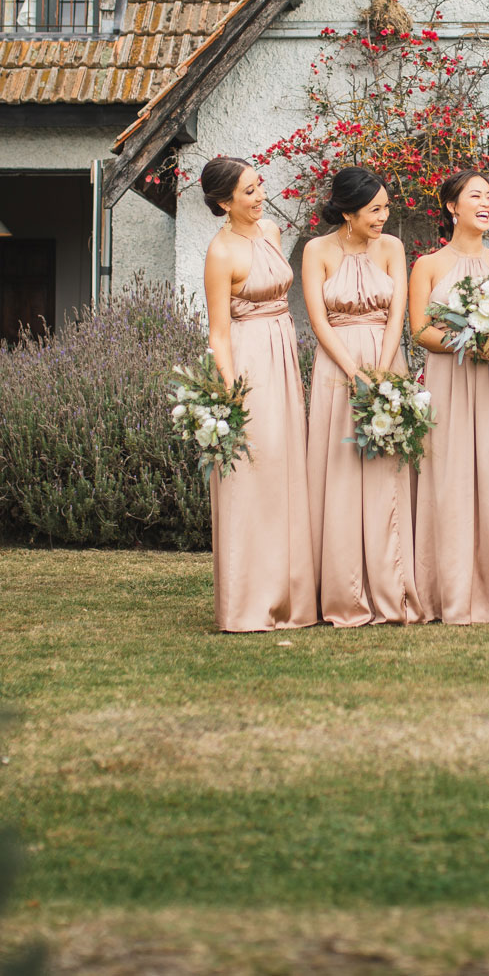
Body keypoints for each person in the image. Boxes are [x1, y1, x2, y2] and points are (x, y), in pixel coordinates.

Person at [406, 172, 489, 624]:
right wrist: (467, 341)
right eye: (475, 195)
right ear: (452, 207)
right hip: (448, 380)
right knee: (450, 476)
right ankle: (446, 591)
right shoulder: (428, 265)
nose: (487, 202)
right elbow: (420, 329)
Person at [201, 156, 316, 632]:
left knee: (286, 470)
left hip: (282, 353)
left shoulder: (271, 232)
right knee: (252, 474)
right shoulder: (220, 253)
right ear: (225, 202)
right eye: (249, 191)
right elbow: (218, 334)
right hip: (249, 362)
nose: (260, 196)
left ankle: (291, 598)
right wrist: (231, 395)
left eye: (259, 185)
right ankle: (248, 603)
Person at [301, 167, 419, 626]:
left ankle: (392, 586)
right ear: (348, 211)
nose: (384, 217)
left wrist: (384, 371)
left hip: (387, 362)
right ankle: (344, 590)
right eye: (375, 209)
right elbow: (318, 319)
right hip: (338, 365)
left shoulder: (392, 248)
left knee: (387, 470)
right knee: (342, 473)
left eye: (386, 207)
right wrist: (355, 374)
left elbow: (398, 313)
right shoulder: (317, 250)